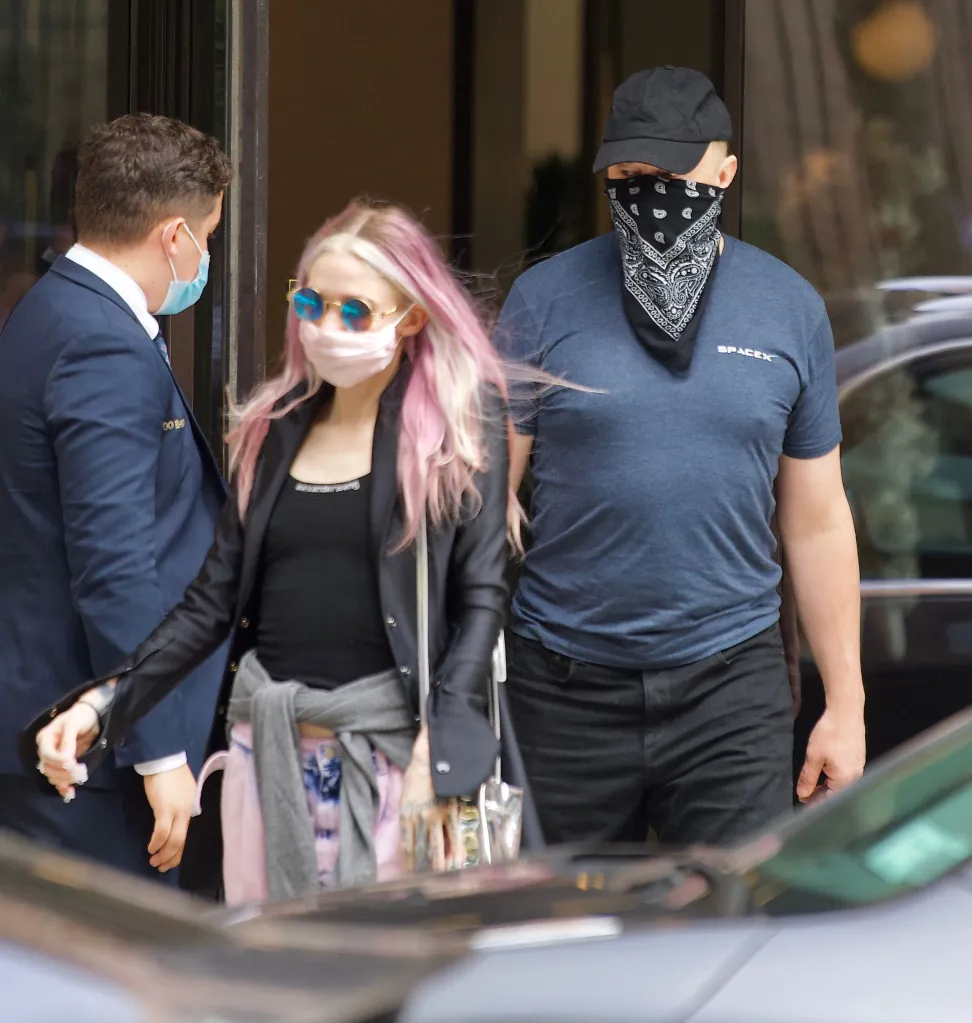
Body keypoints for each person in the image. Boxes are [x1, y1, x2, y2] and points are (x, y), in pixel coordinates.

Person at [29, 199, 518, 904]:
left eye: (355, 312)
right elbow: (210, 602)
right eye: (313, 303)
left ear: (409, 318)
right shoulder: (274, 427)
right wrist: (102, 705)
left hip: (392, 768)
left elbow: (481, 601)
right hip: (266, 761)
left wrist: (435, 760)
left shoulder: (454, 432)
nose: (326, 326)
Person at [496, 66, 866, 848]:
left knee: (734, 935)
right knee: (561, 937)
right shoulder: (544, 299)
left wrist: (847, 703)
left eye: (669, 175)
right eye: (628, 177)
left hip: (729, 685)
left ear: (724, 174)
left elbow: (818, 519)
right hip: (562, 684)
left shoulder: (788, 307)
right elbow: (483, 499)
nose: (648, 194)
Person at [0, 113, 231, 880]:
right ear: (174, 236)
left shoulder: (51, 308)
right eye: (209, 236)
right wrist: (158, 746)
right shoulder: (101, 341)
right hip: (85, 751)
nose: (207, 257)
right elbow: (114, 563)